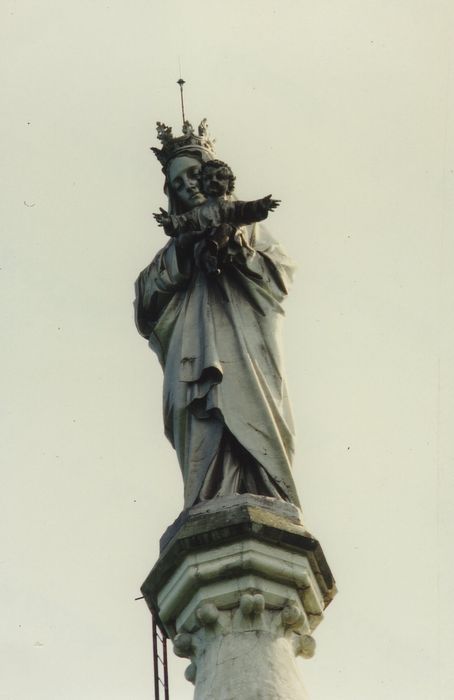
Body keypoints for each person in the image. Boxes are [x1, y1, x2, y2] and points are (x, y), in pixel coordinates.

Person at [135, 121, 300, 509]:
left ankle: (264, 493)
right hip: (192, 356)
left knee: (254, 411)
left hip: (244, 346)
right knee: (201, 423)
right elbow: (145, 305)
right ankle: (209, 497)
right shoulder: (169, 253)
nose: (187, 186)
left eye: (193, 174)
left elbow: (280, 275)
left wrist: (238, 249)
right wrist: (183, 257)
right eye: (177, 185)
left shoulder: (250, 228)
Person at [153, 159, 281, 276]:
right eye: (208, 178)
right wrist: (168, 221)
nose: (213, 181)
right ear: (202, 183)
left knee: (225, 228)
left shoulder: (232, 207)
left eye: (219, 177)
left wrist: (262, 205)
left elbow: (247, 209)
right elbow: (182, 220)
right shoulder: (197, 213)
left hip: (230, 248)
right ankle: (210, 261)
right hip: (203, 249)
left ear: (229, 183)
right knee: (205, 245)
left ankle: (214, 254)